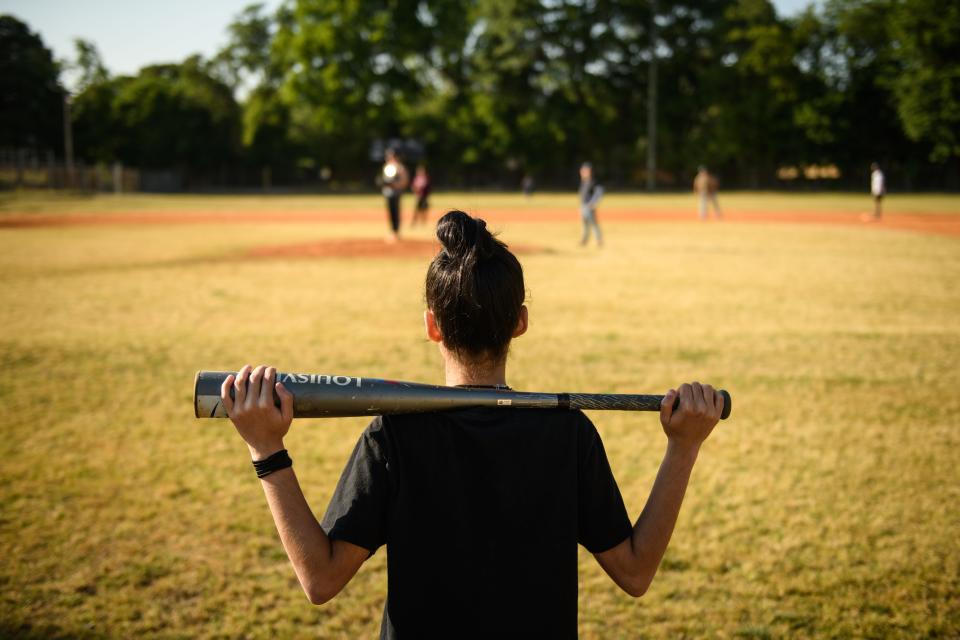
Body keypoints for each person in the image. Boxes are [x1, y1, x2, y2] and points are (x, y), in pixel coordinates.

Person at [220, 210, 725, 638]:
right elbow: (635, 573)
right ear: (520, 323)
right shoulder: (568, 434)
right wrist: (683, 447)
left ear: (431, 325)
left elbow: (321, 579)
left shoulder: (393, 435)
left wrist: (267, 449)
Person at [380, 148, 409, 242]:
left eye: (391, 155)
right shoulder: (388, 166)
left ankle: (396, 232)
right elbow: (385, 180)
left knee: (395, 212)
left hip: (396, 193)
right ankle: (393, 231)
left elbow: (404, 181)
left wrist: (395, 185)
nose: (389, 157)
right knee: (391, 213)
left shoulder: (399, 167)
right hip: (388, 193)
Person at [578, 162, 604, 246]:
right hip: (583, 206)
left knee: (593, 223)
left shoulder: (594, 182)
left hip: (589, 206)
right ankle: (584, 240)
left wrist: (592, 203)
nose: (583, 172)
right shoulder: (584, 181)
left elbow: (599, 193)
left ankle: (599, 240)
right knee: (585, 224)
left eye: (585, 171)